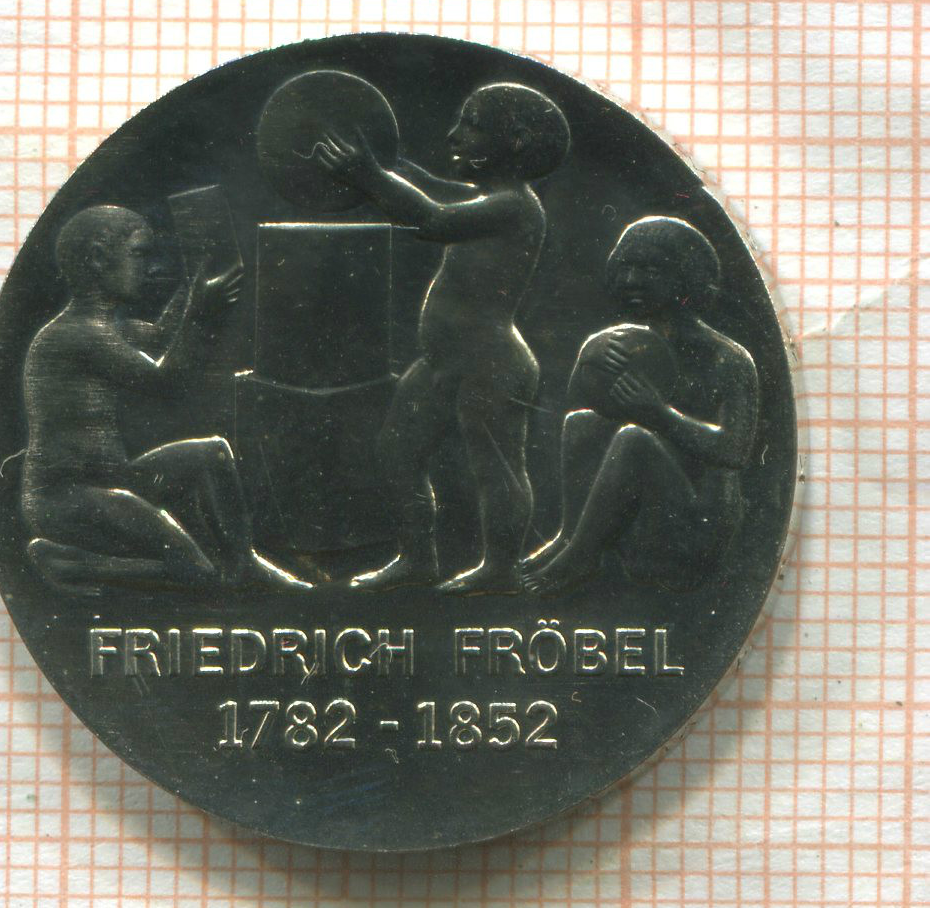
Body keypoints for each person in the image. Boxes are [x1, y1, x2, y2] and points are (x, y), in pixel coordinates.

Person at [315, 83, 570, 593]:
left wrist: (371, 177)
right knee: (397, 451)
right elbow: (433, 190)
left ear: (515, 141)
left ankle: (501, 569)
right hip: (443, 362)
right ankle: (418, 560)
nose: (454, 135)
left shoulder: (515, 207)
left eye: (471, 124)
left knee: (494, 468)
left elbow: (432, 218)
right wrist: (388, 166)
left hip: (491, 363)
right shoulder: (488, 199)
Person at [20, 204, 308, 594]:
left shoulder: (108, 329)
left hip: (112, 479)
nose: (151, 268)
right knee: (200, 574)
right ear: (99, 259)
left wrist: (196, 280)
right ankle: (78, 566)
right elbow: (166, 381)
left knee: (212, 453)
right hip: (66, 499)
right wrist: (200, 310)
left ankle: (245, 563)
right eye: (139, 254)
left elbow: (160, 338)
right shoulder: (77, 335)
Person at [523, 215, 760, 594]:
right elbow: (580, 407)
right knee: (582, 423)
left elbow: (735, 450)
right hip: (643, 524)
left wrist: (660, 415)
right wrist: (590, 363)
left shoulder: (727, 359)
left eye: (650, 270)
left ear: (686, 278)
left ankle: (581, 556)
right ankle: (570, 537)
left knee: (634, 439)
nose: (631, 280)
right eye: (626, 268)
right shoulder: (628, 348)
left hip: (694, 537)